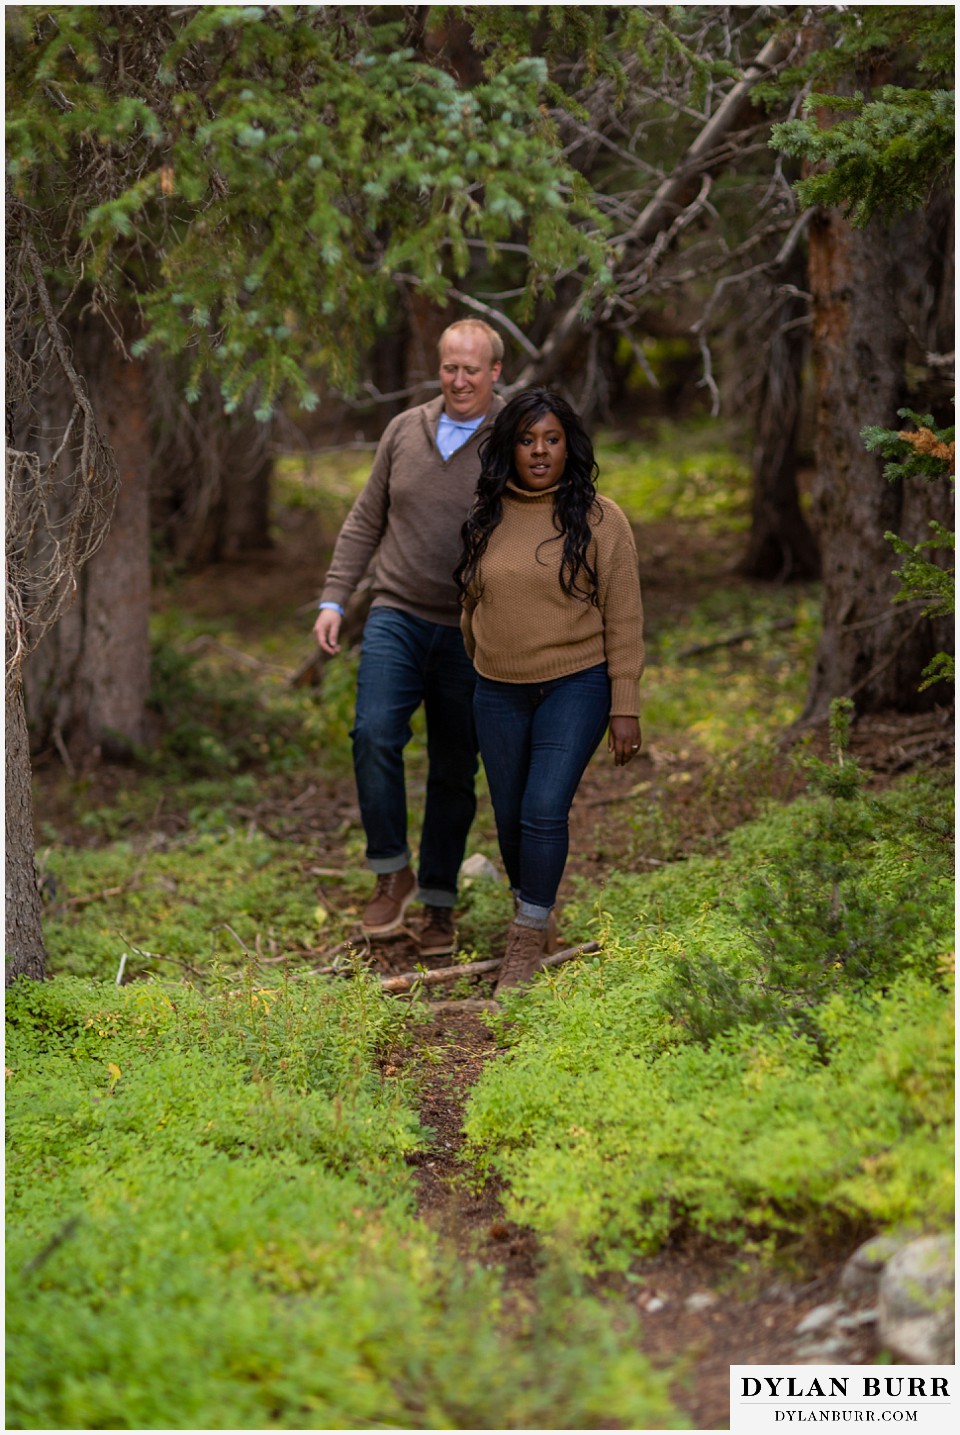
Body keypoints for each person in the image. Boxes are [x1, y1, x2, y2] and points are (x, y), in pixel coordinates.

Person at [314, 319, 505, 956]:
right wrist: (336, 597)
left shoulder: (511, 437)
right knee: (372, 734)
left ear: (494, 373)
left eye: (470, 370)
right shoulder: (405, 430)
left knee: (455, 769)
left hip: (470, 630)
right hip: (395, 611)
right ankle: (390, 870)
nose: (458, 380)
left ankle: (440, 902)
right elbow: (366, 518)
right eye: (449, 367)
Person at [456, 388, 644, 996]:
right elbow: (471, 603)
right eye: (527, 440)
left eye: (552, 439)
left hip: (577, 682)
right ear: (509, 448)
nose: (540, 451)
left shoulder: (601, 518)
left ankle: (523, 943)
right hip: (497, 689)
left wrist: (625, 702)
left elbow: (625, 616)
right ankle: (537, 910)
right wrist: (482, 660)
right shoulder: (488, 514)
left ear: (570, 446)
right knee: (510, 818)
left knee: (542, 810)